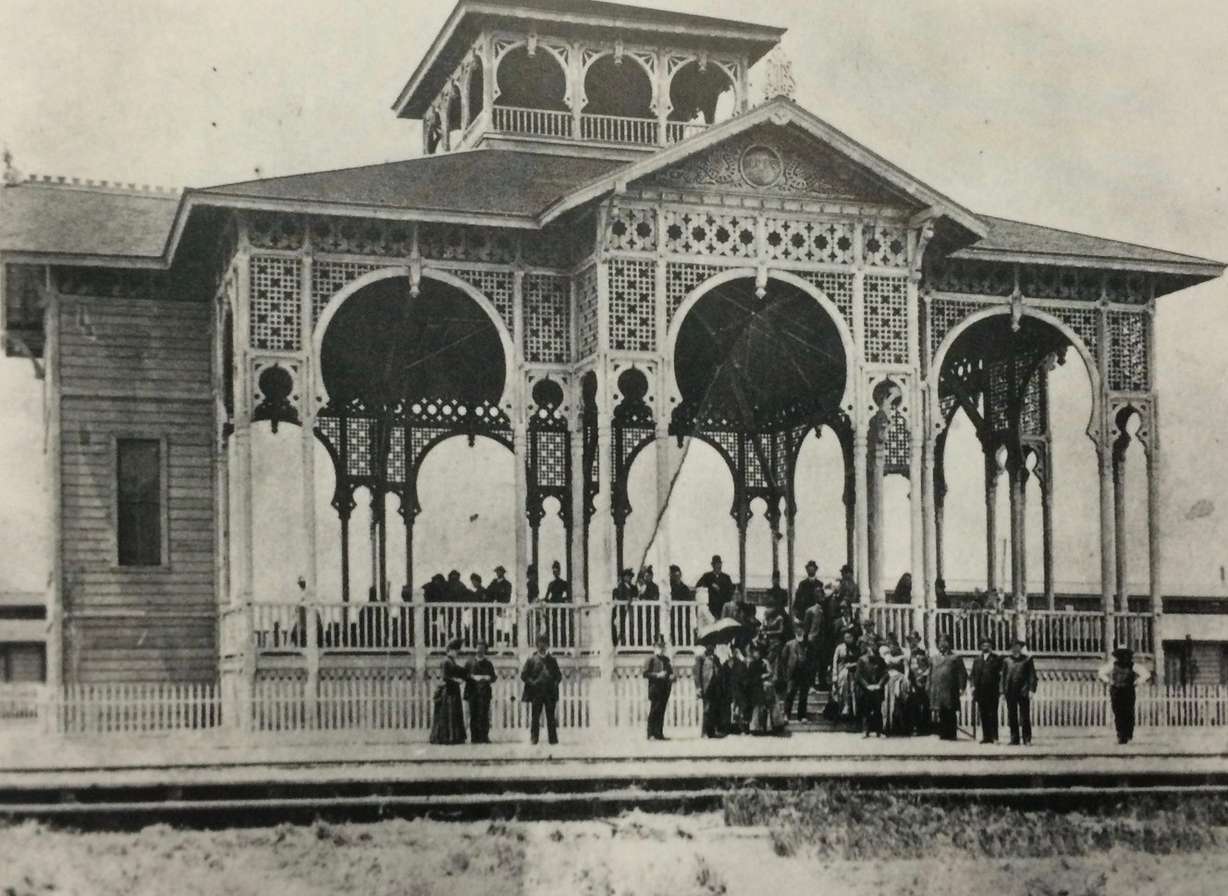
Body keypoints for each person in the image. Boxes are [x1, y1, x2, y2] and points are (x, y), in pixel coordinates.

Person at [521, 634, 562, 745]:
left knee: (551, 717)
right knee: (535, 717)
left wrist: (554, 684)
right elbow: (523, 675)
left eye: (544, 643)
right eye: (540, 643)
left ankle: (553, 739)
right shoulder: (531, 660)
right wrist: (532, 683)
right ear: (536, 645)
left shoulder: (552, 660)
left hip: (549, 693)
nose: (542, 646)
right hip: (536, 693)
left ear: (547, 645)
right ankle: (534, 738)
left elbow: (559, 676)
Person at [429, 638, 468, 745]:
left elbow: (457, 672)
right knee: (448, 714)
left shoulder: (450, 661)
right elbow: (445, 677)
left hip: (452, 690)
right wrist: (457, 680)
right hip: (448, 691)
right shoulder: (446, 661)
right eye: (456, 651)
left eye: (457, 651)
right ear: (450, 649)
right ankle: (447, 737)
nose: (457, 653)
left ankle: (453, 737)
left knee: (452, 714)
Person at [930, 635, 968, 741]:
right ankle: (943, 734)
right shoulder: (934, 658)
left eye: (945, 642)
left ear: (949, 643)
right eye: (940, 642)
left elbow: (962, 674)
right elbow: (930, 673)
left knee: (950, 711)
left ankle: (951, 734)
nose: (942, 644)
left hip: (950, 689)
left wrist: (962, 687)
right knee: (941, 711)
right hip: (938, 689)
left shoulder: (955, 658)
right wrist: (929, 687)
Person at [1001, 639, 1038, 746]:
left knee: (1024, 716)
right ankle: (1014, 739)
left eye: (1017, 646)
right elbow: (1003, 677)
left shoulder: (1027, 660)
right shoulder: (1007, 661)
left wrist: (1031, 689)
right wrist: (1002, 692)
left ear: (1020, 647)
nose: (1015, 648)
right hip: (1010, 691)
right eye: (1013, 646)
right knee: (1012, 716)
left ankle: (1027, 739)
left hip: (1023, 691)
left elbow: (1032, 676)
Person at [1100, 645, 1139, 745]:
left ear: (1128, 655)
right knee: (1118, 713)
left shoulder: (1133, 665)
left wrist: (1136, 682)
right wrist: (1110, 681)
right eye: (1121, 655)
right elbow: (1101, 672)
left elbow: (1146, 674)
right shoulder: (1113, 665)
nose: (1123, 657)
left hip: (1128, 691)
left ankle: (1128, 735)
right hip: (1116, 691)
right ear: (1117, 656)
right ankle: (1121, 736)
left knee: (1129, 713)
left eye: (1125, 655)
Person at [970, 637, 1003, 744]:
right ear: (980, 647)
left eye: (988, 645)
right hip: (980, 691)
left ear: (991, 646)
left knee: (992, 714)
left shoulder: (997, 659)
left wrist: (1001, 689)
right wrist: (972, 686)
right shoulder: (977, 660)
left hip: (993, 691)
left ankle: (994, 737)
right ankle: (986, 737)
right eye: (983, 645)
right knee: (983, 714)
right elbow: (973, 675)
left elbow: (1001, 675)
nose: (985, 647)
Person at [826, 628, 862, 724]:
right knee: (840, 689)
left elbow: (860, 661)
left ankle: (852, 713)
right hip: (841, 671)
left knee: (853, 691)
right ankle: (841, 712)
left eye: (850, 637)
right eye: (846, 637)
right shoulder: (839, 648)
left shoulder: (856, 648)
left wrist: (853, 664)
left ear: (853, 638)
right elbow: (834, 661)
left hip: (853, 672)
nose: (848, 639)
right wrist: (834, 675)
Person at [642, 633, 674, 740]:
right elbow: (645, 674)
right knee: (654, 711)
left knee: (661, 711)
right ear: (654, 647)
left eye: (662, 647)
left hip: (664, 689)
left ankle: (659, 733)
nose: (660, 649)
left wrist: (672, 677)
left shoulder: (666, 660)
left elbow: (670, 672)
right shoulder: (650, 659)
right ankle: (650, 734)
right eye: (658, 647)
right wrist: (657, 675)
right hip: (655, 689)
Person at [880, 632, 912, 736]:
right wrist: (902, 657)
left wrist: (906, 677)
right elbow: (890, 661)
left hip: (900, 678)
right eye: (890, 640)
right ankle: (889, 727)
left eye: (893, 639)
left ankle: (902, 728)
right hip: (890, 679)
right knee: (889, 702)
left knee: (901, 702)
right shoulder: (885, 650)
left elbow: (906, 665)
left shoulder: (902, 650)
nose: (891, 642)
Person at [856, 638, 889, 737]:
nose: (872, 649)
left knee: (878, 710)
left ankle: (879, 731)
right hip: (866, 690)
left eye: (874, 647)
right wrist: (867, 686)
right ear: (867, 648)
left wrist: (880, 684)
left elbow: (886, 674)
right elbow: (858, 676)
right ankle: (866, 730)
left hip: (877, 689)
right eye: (870, 647)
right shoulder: (862, 660)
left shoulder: (880, 660)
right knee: (866, 710)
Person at [464, 640, 495, 744]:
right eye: (478, 647)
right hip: (473, 693)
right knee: (474, 715)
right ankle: (474, 737)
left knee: (484, 715)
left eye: (482, 647)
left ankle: (484, 737)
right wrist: (473, 677)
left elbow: (493, 677)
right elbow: (465, 676)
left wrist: (487, 677)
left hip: (485, 693)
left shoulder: (488, 663)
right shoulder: (469, 662)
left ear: (485, 650)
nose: (480, 649)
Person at [694, 641, 724, 738]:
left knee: (714, 709)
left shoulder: (716, 658)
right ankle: (704, 732)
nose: (711, 647)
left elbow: (720, 671)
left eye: (713, 645)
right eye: (709, 645)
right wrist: (698, 687)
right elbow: (697, 674)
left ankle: (711, 731)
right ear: (706, 647)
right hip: (706, 686)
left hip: (716, 687)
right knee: (707, 709)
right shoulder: (700, 658)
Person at [781, 630, 810, 721]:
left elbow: (811, 659)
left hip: (804, 673)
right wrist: (785, 673)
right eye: (799, 633)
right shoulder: (789, 644)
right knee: (789, 693)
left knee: (803, 695)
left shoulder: (807, 644)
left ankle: (802, 715)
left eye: (802, 633)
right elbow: (783, 660)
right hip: (793, 673)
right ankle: (786, 714)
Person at [907, 633, 932, 736]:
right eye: (910, 640)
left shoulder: (923, 652)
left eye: (914, 640)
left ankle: (925, 728)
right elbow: (908, 668)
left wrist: (923, 676)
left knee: (925, 704)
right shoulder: (908, 653)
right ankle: (914, 727)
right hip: (912, 681)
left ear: (918, 640)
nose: (912, 642)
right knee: (913, 705)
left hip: (923, 681)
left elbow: (930, 666)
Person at [696, 555, 735, 621]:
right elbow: (698, 586)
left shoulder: (726, 577)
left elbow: (730, 592)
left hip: (722, 607)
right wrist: (710, 586)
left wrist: (720, 590)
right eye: (716, 564)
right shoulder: (707, 576)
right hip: (710, 607)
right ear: (712, 565)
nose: (718, 566)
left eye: (719, 564)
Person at [668, 564, 693, 645]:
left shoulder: (684, 588)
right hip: (671, 614)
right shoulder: (669, 587)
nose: (676, 577)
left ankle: (684, 643)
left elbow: (689, 600)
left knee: (683, 628)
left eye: (678, 574)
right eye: (674, 575)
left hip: (682, 614)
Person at [611, 568, 637, 645]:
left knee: (631, 625)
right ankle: (622, 641)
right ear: (623, 577)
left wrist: (632, 598)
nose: (628, 578)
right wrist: (628, 598)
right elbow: (620, 596)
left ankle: (631, 642)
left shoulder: (633, 587)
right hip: (622, 610)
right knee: (622, 625)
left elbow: (635, 595)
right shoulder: (620, 586)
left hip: (631, 609)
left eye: (630, 576)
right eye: (627, 576)